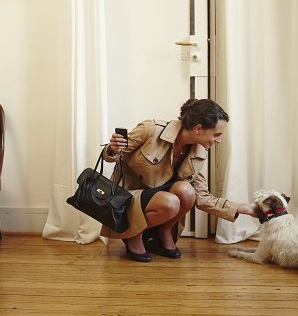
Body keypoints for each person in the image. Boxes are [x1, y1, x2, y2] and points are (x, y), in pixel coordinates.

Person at [102, 98, 259, 262]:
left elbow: (202, 197)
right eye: (216, 134)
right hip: (129, 198)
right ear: (198, 128)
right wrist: (112, 148)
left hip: (161, 201)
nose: (218, 140)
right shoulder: (150, 129)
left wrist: (246, 209)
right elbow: (112, 155)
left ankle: (165, 231)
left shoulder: (199, 152)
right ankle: (134, 234)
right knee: (171, 201)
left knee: (187, 192)